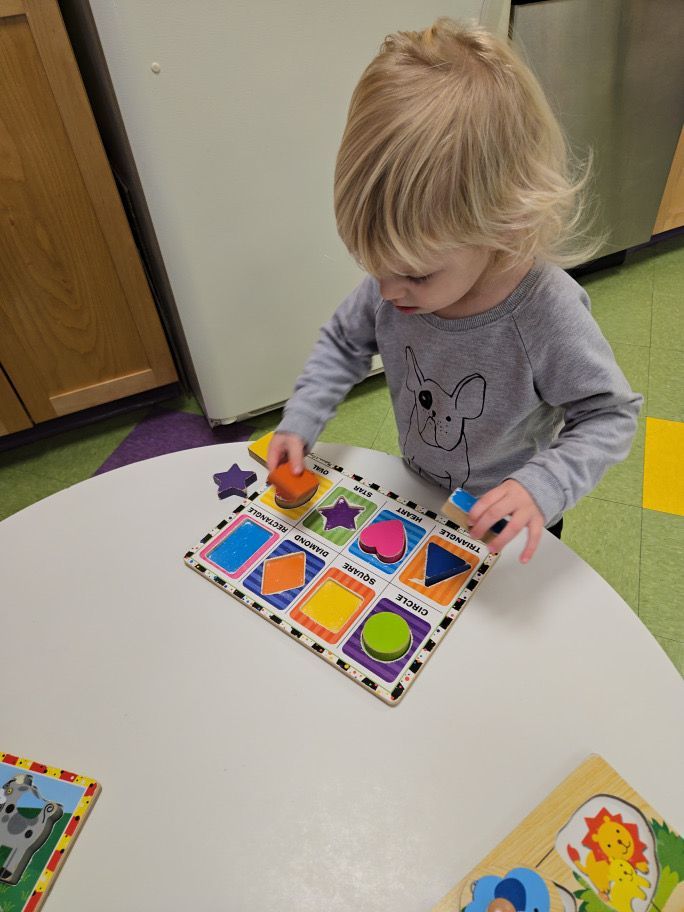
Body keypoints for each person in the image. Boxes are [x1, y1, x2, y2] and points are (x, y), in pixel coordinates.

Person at [267, 18, 642, 562]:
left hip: (511, 521)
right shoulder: (397, 283)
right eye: (375, 268)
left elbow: (610, 414)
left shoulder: (544, 310)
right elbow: (345, 342)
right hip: (421, 493)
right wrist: (302, 418)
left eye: (416, 275)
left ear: (503, 225)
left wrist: (544, 486)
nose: (389, 293)